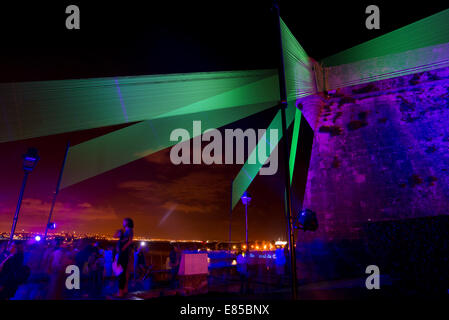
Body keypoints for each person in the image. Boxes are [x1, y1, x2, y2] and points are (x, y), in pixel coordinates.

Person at [114, 218, 134, 298]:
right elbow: (116, 236)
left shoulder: (129, 230)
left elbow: (129, 241)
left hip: (123, 254)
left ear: (128, 222)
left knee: (121, 273)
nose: (123, 222)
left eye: (124, 221)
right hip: (123, 254)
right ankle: (124, 290)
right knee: (123, 273)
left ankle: (121, 292)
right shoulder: (126, 231)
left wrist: (122, 249)